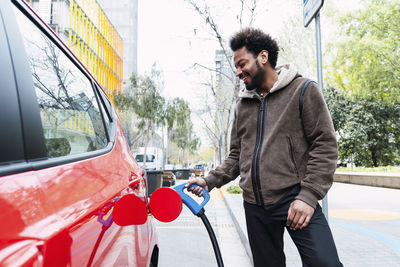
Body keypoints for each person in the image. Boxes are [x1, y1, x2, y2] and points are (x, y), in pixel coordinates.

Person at [187, 27, 343, 267]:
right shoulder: (243, 105)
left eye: (242, 64)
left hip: (295, 197)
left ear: (263, 57)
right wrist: (209, 181)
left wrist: (309, 196)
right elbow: (237, 155)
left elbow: (325, 144)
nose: (238, 72)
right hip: (255, 205)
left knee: (325, 263)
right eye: (236, 67)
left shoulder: (303, 90)